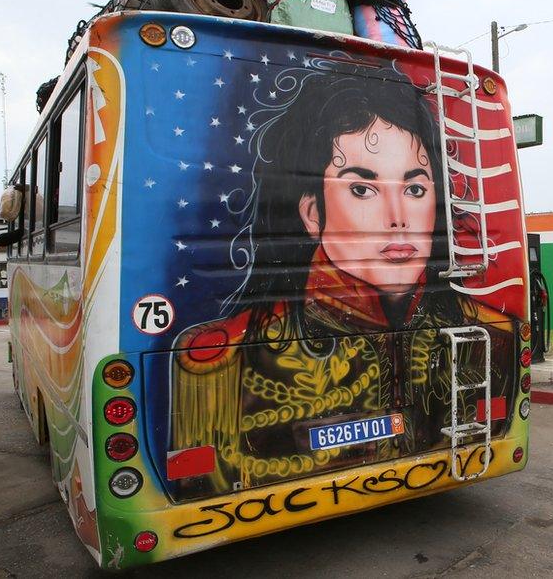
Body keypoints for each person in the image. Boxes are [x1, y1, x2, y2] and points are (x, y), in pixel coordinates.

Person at [170, 59, 511, 493]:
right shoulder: (222, 361)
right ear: (312, 213)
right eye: (362, 188)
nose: (397, 219)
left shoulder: (488, 333)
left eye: (415, 189)